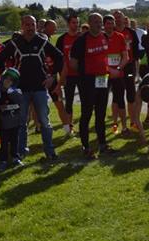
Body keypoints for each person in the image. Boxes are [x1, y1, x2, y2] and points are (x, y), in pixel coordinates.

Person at [0, 15, 63, 161]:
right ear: (22, 26)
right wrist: (6, 78)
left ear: (36, 26)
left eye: (32, 24)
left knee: (44, 121)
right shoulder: (15, 43)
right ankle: (21, 152)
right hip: (21, 90)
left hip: (40, 87)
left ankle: (50, 151)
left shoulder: (42, 42)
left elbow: (59, 57)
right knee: (21, 122)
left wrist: (52, 77)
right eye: (27, 25)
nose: (30, 27)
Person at [69, 13, 115, 158]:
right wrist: (86, 74)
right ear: (89, 23)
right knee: (87, 113)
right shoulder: (81, 41)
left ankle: (102, 144)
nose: (98, 24)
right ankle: (86, 146)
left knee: (101, 113)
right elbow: (73, 63)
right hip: (87, 81)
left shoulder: (104, 37)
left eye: (100, 21)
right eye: (95, 21)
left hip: (103, 80)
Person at [0, 67, 24, 170]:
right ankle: (3, 160)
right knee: (4, 143)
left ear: (14, 82)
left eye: (11, 80)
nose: (8, 81)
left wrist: (10, 91)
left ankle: (15, 157)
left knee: (15, 142)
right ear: (2, 79)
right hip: (3, 123)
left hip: (15, 123)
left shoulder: (17, 91)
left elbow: (20, 101)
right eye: (6, 79)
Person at [42, 19, 72, 135]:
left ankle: (67, 130)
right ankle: (39, 128)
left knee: (59, 103)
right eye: (53, 27)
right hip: (41, 79)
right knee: (35, 106)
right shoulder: (40, 41)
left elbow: (60, 62)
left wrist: (58, 81)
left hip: (52, 79)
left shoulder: (51, 46)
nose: (55, 29)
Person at [102, 15, 130, 135]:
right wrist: (109, 69)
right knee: (101, 101)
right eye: (107, 23)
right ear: (104, 25)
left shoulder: (120, 36)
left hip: (118, 74)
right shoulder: (99, 37)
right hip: (103, 75)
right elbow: (98, 59)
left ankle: (124, 127)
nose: (110, 25)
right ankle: (110, 125)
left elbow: (126, 57)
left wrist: (118, 69)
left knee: (120, 100)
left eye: (112, 23)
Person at [55, 14, 82, 137]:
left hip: (82, 74)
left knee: (85, 101)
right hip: (68, 75)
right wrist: (61, 76)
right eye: (73, 22)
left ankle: (83, 126)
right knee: (69, 102)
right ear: (68, 24)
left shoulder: (82, 37)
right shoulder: (62, 39)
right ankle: (69, 127)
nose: (76, 25)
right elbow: (58, 60)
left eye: (77, 23)